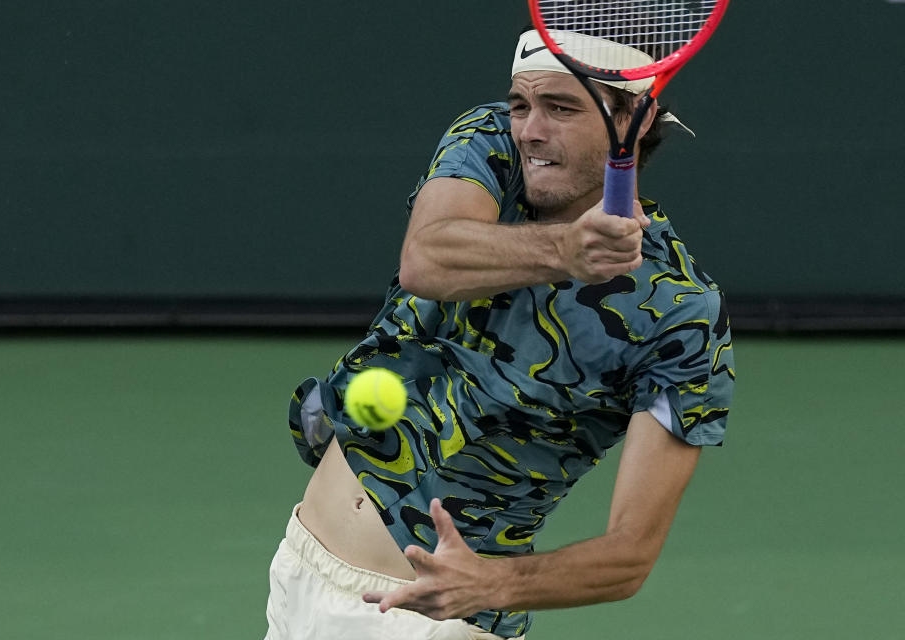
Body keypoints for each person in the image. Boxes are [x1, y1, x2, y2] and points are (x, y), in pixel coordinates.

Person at [265, 27, 735, 640]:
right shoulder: (495, 145)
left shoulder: (682, 313)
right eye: (521, 104)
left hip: (431, 623)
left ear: (635, 119)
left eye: (561, 108)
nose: (531, 128)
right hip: (300, 568)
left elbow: (630, 554)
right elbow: (427, 261)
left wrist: (494, 584)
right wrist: (566, 248)